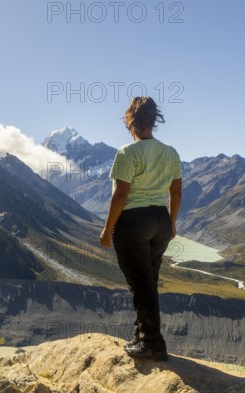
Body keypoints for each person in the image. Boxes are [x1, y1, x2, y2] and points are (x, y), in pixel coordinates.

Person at [99, 96, 182, 361]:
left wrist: (107, 229)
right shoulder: (171, 153)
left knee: (140, 284)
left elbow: (120, 195)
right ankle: (142, 335)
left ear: (130, 119)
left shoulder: (127, 153)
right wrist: (172, 222)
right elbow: (176, 191)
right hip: (159, 220)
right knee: (148, 282)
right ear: (154, 119)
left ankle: (153, 344)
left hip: (133, 222)